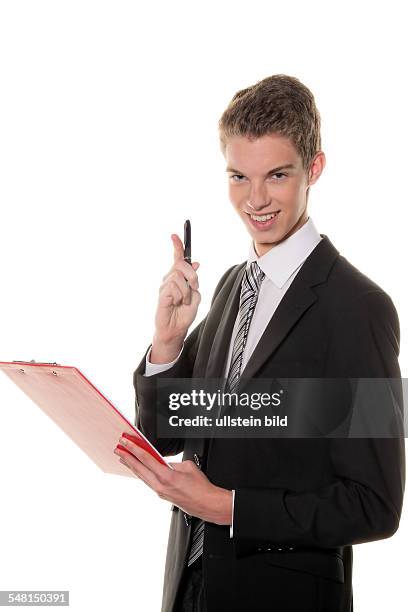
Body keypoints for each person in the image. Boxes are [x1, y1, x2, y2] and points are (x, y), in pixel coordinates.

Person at [115, 74, 405, 611]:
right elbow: (166, 433)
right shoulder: (231, 287)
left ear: (313, 169)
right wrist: (167, 342)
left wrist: (231, 508)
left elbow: (375, 505)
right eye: (238, 176)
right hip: (191, 589)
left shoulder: (357, 308)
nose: (255, 200)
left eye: (277, 175)